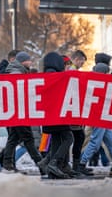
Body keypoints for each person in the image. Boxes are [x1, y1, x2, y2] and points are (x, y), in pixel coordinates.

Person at [1, 51, 43, 173]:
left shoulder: (18, 71)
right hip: (18, 110)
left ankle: (6, 162)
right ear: (23, 61)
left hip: (17, 111)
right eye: (29, 60)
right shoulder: (16, 73)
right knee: (28, 138)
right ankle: (40, 163)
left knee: (13, 138)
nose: (31, 62)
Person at [37, 51, 76, 179]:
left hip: (49, 115)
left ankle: (49, 164)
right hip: (57, 114)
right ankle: (53, 163)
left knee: (55, 141)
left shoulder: (46, 74)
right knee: (68, 138)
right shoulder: (54, 75)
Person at [76, 61, 112, 175]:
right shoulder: (95, 83)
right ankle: (81, 163)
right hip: (98, 116)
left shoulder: (97, 82)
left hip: (103, 115)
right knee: (95, 142)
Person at [68, 49, 89, 173]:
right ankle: (76, 166)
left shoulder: (73, 71)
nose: (82, 64)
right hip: (73, 112)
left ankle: (76, 165)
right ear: (76, 59)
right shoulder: (72, 72)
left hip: (75, 111)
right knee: (78, 137)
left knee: (78, 137)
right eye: (82, 62)